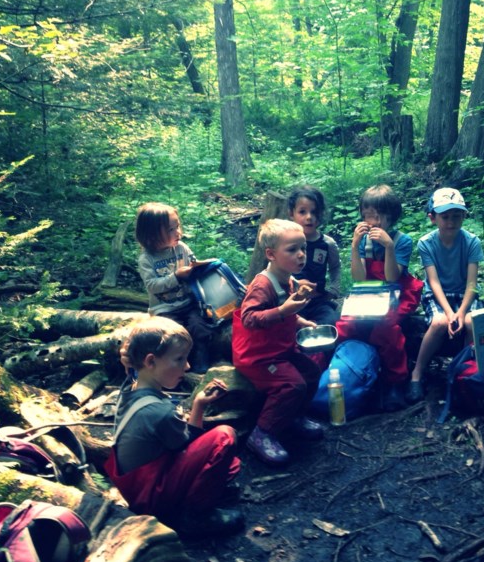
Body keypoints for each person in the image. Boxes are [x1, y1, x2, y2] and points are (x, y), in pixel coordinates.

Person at [104, 316, 244, 539]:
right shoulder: (159, 412)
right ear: (150, 362)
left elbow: (129, 361)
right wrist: (199, 404)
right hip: (149, 497)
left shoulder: (130, 384)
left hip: (135, 486)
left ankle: (194, 498)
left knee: (229, 466)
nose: (187, 366)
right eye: (179, 359)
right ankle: (194, 517)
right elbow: (188, 444)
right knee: (225, 437)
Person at [231, 219, 325, 465]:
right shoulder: (263, 285)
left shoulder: (289, 279)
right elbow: (249, 318)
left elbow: (286, 310)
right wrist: (284, 312)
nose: (301, 255)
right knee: (292, 385)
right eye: (292, 250)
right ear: (271, 254)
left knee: (312, 372)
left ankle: (294, 417)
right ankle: (262, 433)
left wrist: (299, 320)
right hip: (258, 355)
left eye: (302, 248)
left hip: (281, 348)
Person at [337, 184, 424, 411]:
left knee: (386, 328)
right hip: (369, 291)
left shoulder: (402, 240)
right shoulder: (363, 240)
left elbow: (392, 276)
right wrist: (355, 246)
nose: (372, 222)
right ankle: (347, 375)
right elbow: (358, 278)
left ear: (391, 216)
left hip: (397, 291)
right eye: (367, 216)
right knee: (346, 324)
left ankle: (395, 381)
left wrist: (388, 246)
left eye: (378, 217)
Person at [408, 188, 484, 402]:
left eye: (456, 216)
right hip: (438, 295)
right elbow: (433, 281)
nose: (451, 222)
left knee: (472, 322)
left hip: (465, 294)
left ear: (463, 216)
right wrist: (451, 313)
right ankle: (417, 373)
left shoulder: (471, 242)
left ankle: (466, 370)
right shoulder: (426, 243)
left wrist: (461, 312)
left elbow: (472, 282)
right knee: (439, 322)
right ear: (433, 218)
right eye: (445, 216)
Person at [135, 202, 214, 373]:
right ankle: (175, 368)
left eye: (177, 226)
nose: (178, 232)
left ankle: (200, 360)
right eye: (170, 230)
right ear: (152, 234)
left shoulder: (181, 248)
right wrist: (177, 276)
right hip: (164, 309)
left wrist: (199, 268)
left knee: (200, 327)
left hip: (188, 303)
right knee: (175, 336)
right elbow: (152, 286)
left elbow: (193, 264)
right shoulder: (147, 259)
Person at [287, 185, 342, 326]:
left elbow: (335, 267)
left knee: (331, 322)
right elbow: (274, 269)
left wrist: (333, 289)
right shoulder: (285, 243)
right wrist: (296, 284)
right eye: (302, 212)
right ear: (291, 214)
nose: (309, 217)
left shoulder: (327, 244)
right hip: (290, 301)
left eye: (314, 212)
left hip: (318, 302)